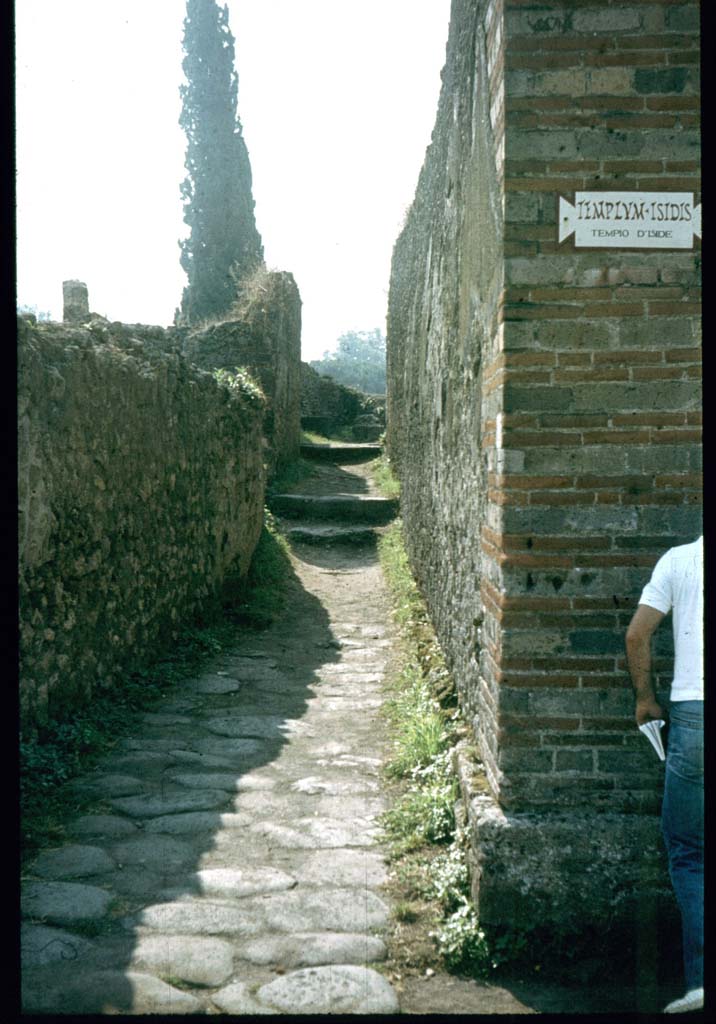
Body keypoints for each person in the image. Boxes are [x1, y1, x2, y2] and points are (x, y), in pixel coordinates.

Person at [625, 535, 703, 1014]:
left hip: (694, 713)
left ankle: (702, 979)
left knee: (691, 850)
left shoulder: (680, 561)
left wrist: (645, 698)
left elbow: (637, 634)